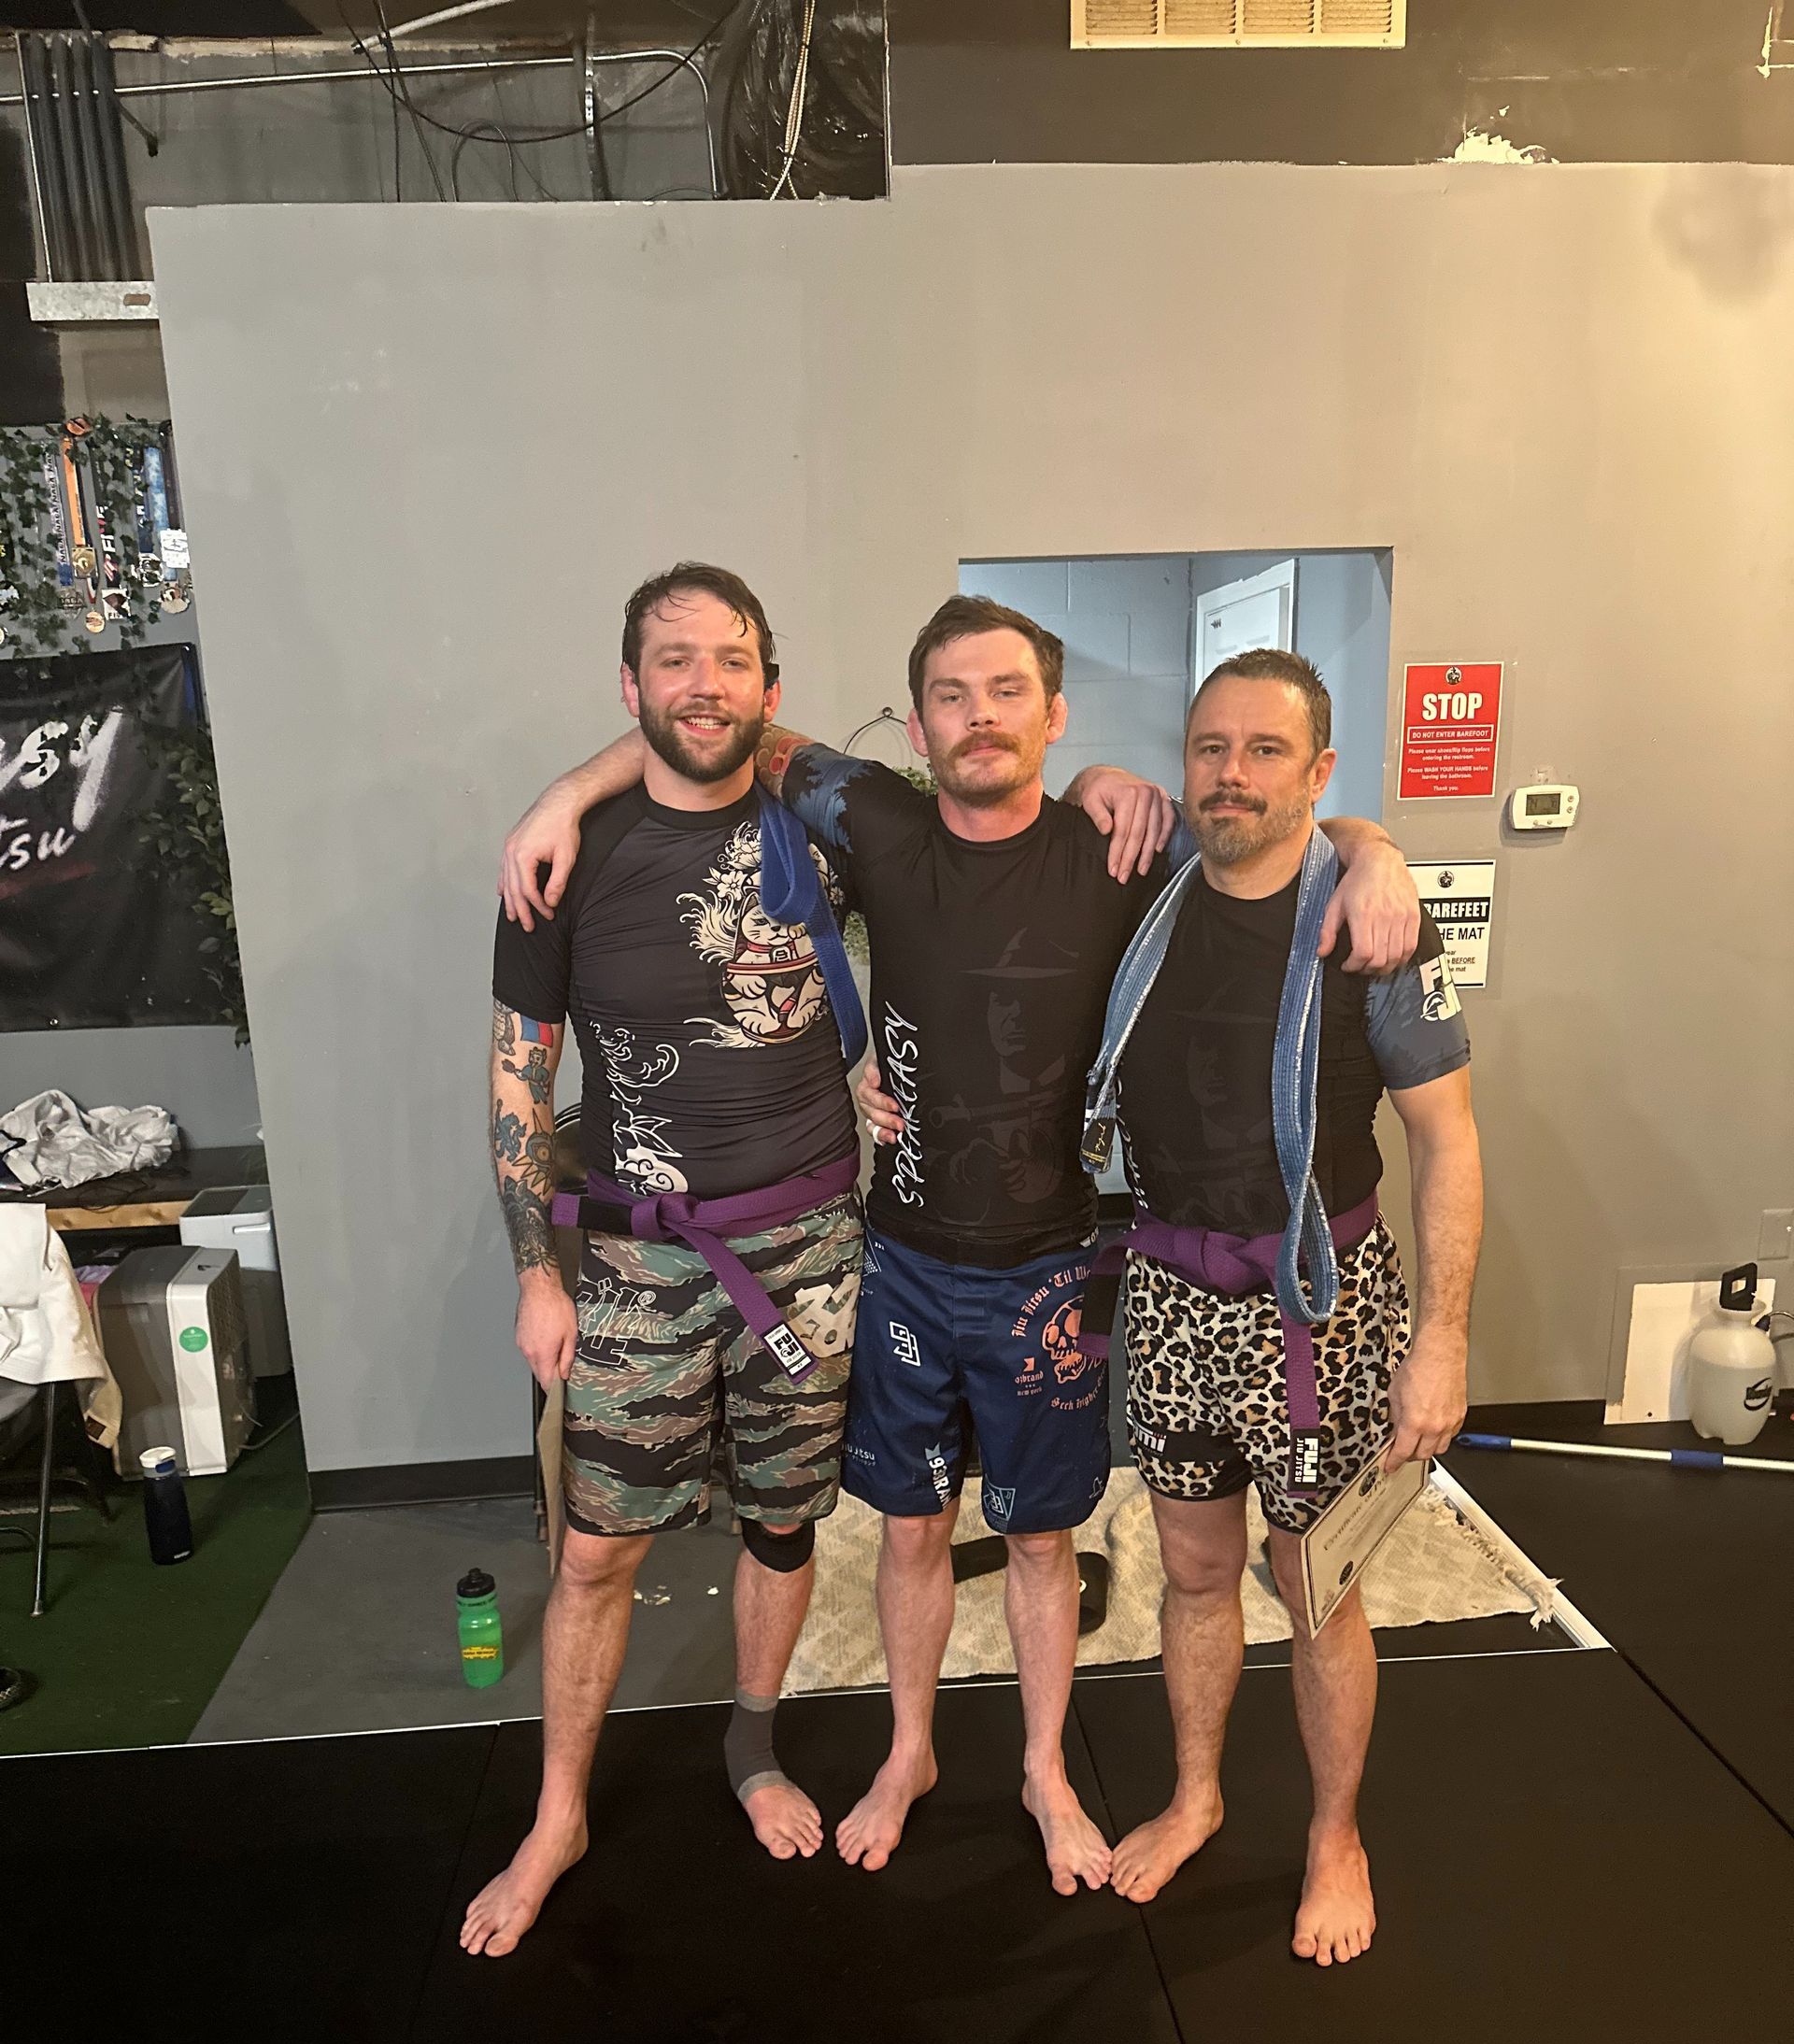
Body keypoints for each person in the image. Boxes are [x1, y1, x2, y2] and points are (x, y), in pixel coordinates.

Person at [501, 594, 1419, 1896]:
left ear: (1056, 715)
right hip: (906, 1262)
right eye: (949, 695)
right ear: (920, 722)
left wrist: (1376, 846)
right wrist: (565, 795)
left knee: (1046, 1541)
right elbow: (727, 728)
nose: (978, 717)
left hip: (1054, 1268)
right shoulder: (873, 820)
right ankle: (912, 1749)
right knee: (913, 1530)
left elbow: (1271, 841)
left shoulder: (1125, 850)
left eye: (1006, 693)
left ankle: (1046, 1770)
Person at [463, 563, 866, 1959]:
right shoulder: (563, 861)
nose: (707, 684)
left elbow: (989, 840)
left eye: (732, 660)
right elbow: (521, 1080)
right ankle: (560, 1810)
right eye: (674, 661)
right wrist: (535, 1269)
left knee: (783, 1522)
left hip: (811, 1253)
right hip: (636, 1262)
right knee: (594, 1555)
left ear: (772, 684)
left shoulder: (829, 827)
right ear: (629, 690)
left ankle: (752, 1746)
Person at [1077, 647, 1481, 1966]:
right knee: (1193, 1573)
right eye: (1209, 748)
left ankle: (1334, 1833)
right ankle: (1197, 1792)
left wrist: (1445, 1340)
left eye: (1264, 752)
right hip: (1172, 1299)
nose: (1230, 774)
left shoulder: (1371, 925)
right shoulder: (1139, 897)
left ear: (1317, 773)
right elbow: (1051, 794)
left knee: (1318, 1592)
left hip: (1326, 1309)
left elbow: (1450, 1143)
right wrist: (1091, 771)